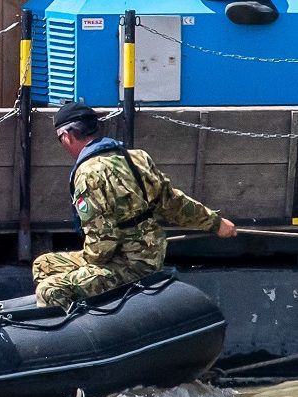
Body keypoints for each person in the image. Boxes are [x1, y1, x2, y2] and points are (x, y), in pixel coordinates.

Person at [33, 102, 237, 308]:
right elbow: (173, 203)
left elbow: (103, 244)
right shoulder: (136, 157)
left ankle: (80, 331)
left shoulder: (88, 175)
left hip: (129, 265)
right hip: (149, 254)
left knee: (50, 290)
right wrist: (216, 223)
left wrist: (84, 267)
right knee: (43, 264)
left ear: (67, 136)